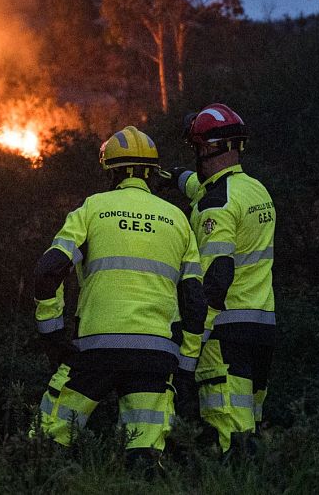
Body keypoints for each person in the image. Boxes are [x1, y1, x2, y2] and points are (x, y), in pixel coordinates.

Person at [31, 125, 206, 467]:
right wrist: (184, 366)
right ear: (153, 174)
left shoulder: (93, 209)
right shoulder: (178, 219)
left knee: (48, 442)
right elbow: (195, 302)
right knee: (144, 456)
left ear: (110, 171)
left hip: (96, 350)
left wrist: (52, 335)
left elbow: (48, 271)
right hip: (156, 354)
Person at [176, 104, 275, 455]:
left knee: (229, 435)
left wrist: (193, 342)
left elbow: (217, 279)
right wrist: (174, 177)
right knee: (251, 425)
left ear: (207, 149)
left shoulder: (215, 204)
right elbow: (205, 189)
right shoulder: (256, 191)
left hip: (225, 333)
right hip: (261, 327)